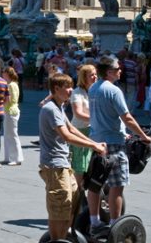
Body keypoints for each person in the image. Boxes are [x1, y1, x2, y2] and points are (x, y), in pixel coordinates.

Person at [39, 73, 107, 240]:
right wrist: (93, 146)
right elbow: (67, 136)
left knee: (74, 201)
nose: (71, 90)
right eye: (67, 87)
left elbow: (72, 129)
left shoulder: (59, 106)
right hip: (54, 166)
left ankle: (64, 236)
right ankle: (57, 239)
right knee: (60, 208)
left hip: (63, 164)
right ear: (56, 89)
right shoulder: (51, 109)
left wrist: (93, 143)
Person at [87, 55, 151, 233]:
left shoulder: (93, 88)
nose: (120, 71)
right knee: (117, 186)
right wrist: (143, 135)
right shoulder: (114, 90)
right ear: (109, 72)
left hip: (96, 141)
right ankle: (116, 224)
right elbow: (127, 116)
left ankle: (94, 222)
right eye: (117, 69)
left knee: (96, 183)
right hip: (113, 142)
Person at [69, 64, 97, 187]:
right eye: (91, 75)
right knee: (80, 165)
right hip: (80, 131)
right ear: (84, 77)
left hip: (94, 131)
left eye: (95, 74)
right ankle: (77, 194)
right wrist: (97, 119)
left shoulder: (95, 90)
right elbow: (78, 113)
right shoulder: (77, 92)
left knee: (92, 164)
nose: (95, 77)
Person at [1, 66, 23, 166]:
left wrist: (1, 101)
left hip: (11, 111)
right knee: (7, 134)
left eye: (4, 73)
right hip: (9, 110)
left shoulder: (11, 85)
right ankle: (9, 156)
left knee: (12, 134)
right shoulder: (11, 84)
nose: (2, 74)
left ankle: (16, 158)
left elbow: (11, 100)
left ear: (7, 74)